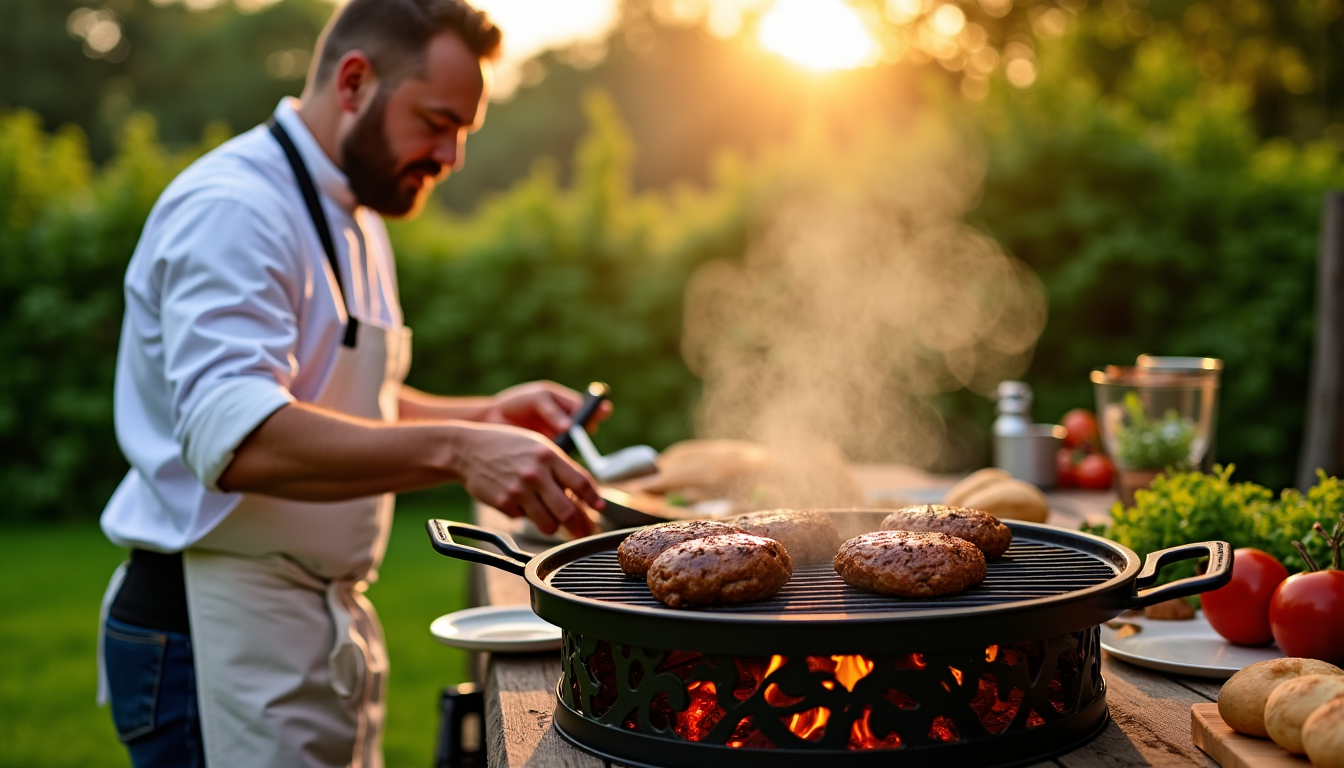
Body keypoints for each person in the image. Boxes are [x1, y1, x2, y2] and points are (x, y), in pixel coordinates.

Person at [96, 2, 606, 766]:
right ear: (355, 81)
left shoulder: (352, 213)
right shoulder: (235, 209)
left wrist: (485, 415)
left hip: (304, 623)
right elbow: (236, 437)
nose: (452, 154)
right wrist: (461, 452)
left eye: (463, 130)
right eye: (437, 121)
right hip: (214, 630)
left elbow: (332, 399)